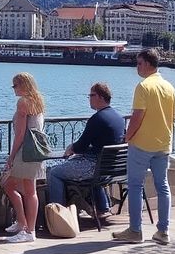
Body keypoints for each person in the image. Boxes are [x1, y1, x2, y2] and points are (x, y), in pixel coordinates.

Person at [113, 48, 175, 246]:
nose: (137, 67)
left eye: (139, 63)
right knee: (163, 187)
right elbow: (174, 116)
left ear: (148, 64)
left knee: (135, 186)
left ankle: (135, 230)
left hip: (142, 144)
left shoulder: (143, 87)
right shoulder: (169, 87)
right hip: (163, 144)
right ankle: (163, 231)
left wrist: (128, 136)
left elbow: (137, 116)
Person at [45, 82, 124, 218]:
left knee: (54, 172)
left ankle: (58, 215)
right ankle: (103, 207)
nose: (89, 98)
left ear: (100, 96)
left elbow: (81, 146)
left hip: (95, 169)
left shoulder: (97, 119)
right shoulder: (119, 118)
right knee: (95, 169)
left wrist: (71, 148)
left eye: (91, 95)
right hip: (112, 169)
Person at [3, 73, 46, 244]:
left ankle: (28, 230)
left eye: (14, 85)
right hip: (36, 151)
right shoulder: (37, 100)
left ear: (22, 85)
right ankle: (24, 224)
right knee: (27, 190)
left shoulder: (23, 102)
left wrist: (11, 156)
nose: (13, 89)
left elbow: (20, 134)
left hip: (25, 152)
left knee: (20, 188)